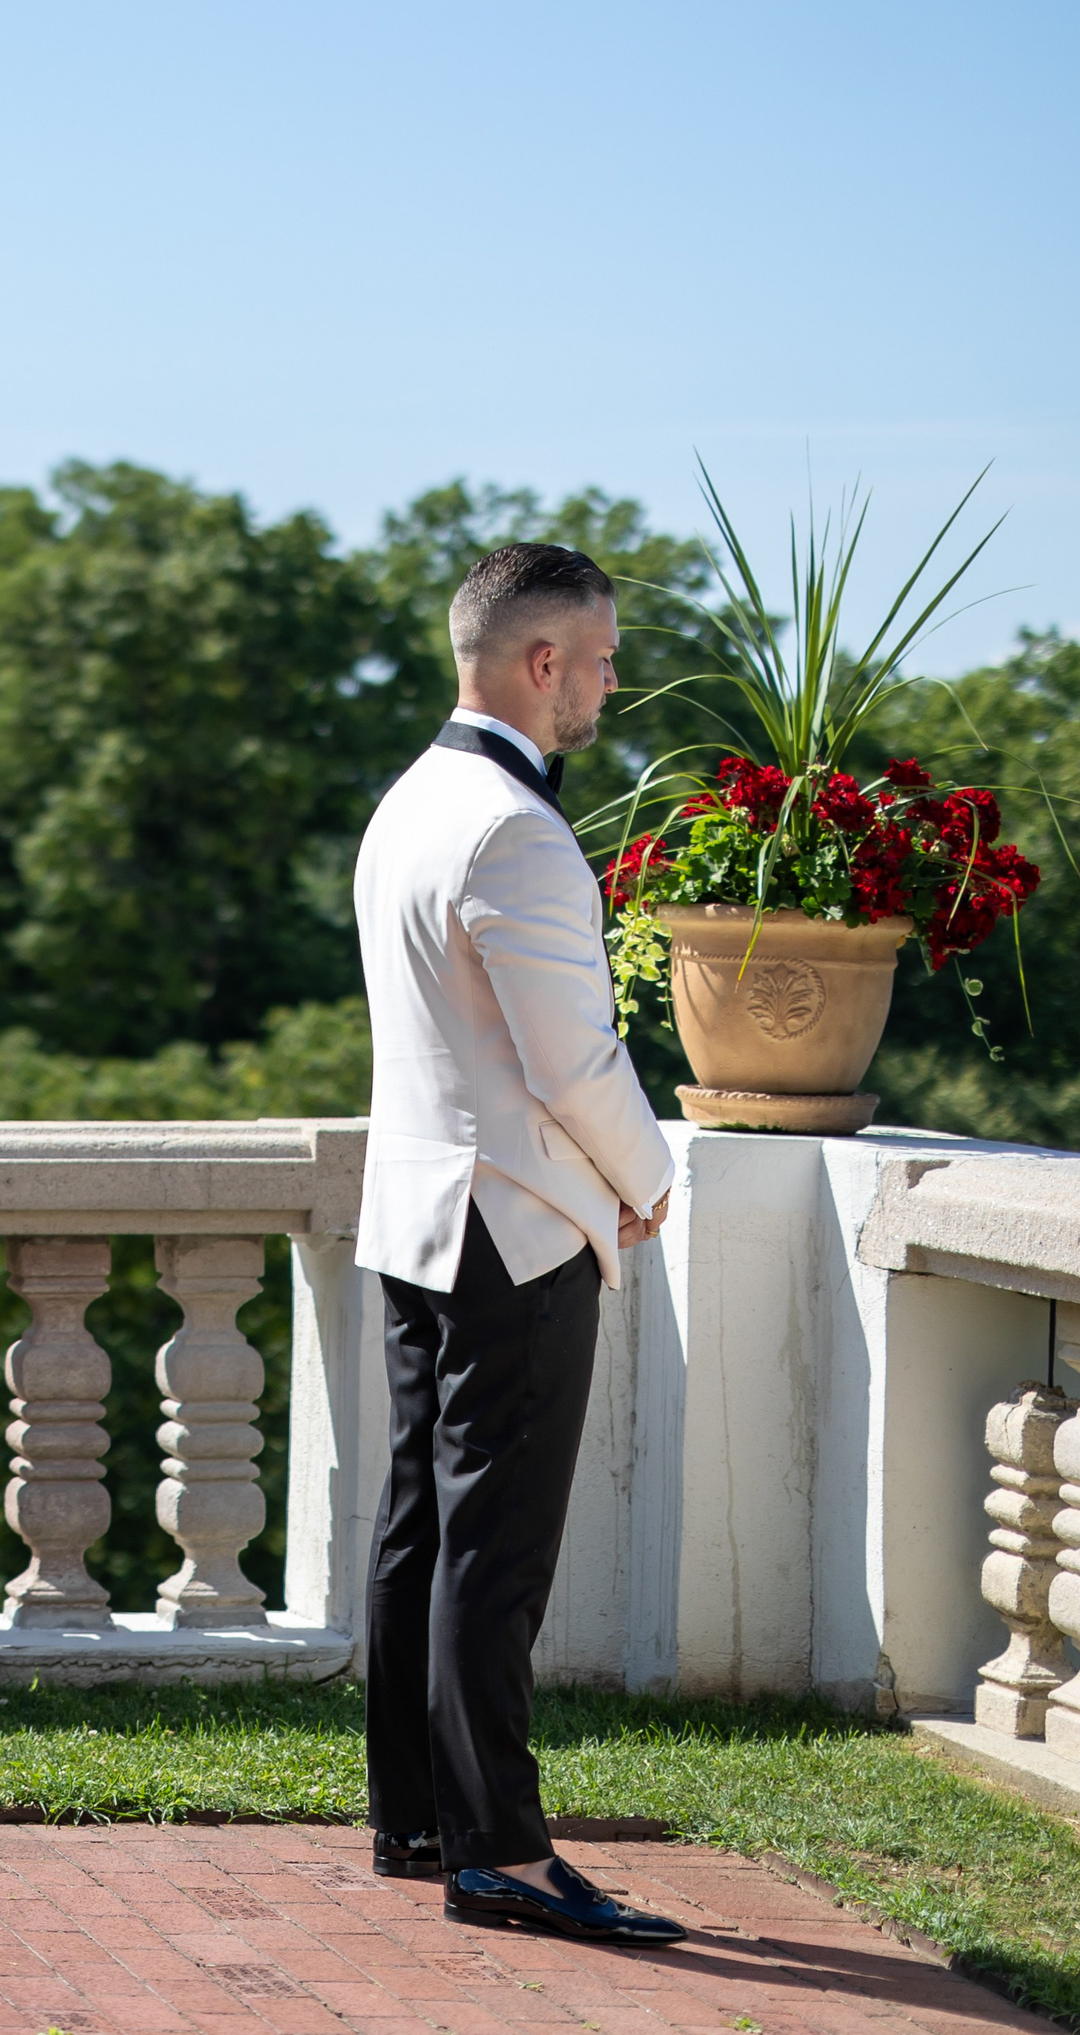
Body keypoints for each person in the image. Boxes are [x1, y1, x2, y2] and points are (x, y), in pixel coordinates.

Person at [351, 543, 685, 1944]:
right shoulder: (516, 828)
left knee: (420, 1529)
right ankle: (501, 1852)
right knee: (494, 1551)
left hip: (418, 1215)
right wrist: (650, 1180)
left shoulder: (409, 801)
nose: (609, 682)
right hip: (515, 1227)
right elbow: (573, 1059)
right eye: (600, 658)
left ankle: (417, 1817)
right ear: (541, 662)